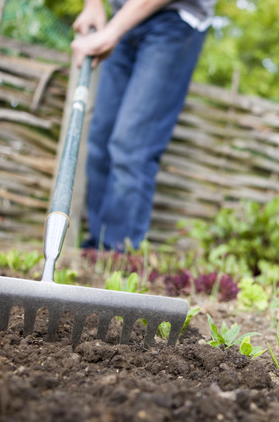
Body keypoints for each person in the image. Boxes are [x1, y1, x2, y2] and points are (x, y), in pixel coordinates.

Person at [71, 0, 216, 252]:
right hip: (122, 17)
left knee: (131, 147)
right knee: (100, 143)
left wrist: (112, 31)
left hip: (174, 19)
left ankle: (116, 257)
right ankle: (96, 249)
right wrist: (93, 5)